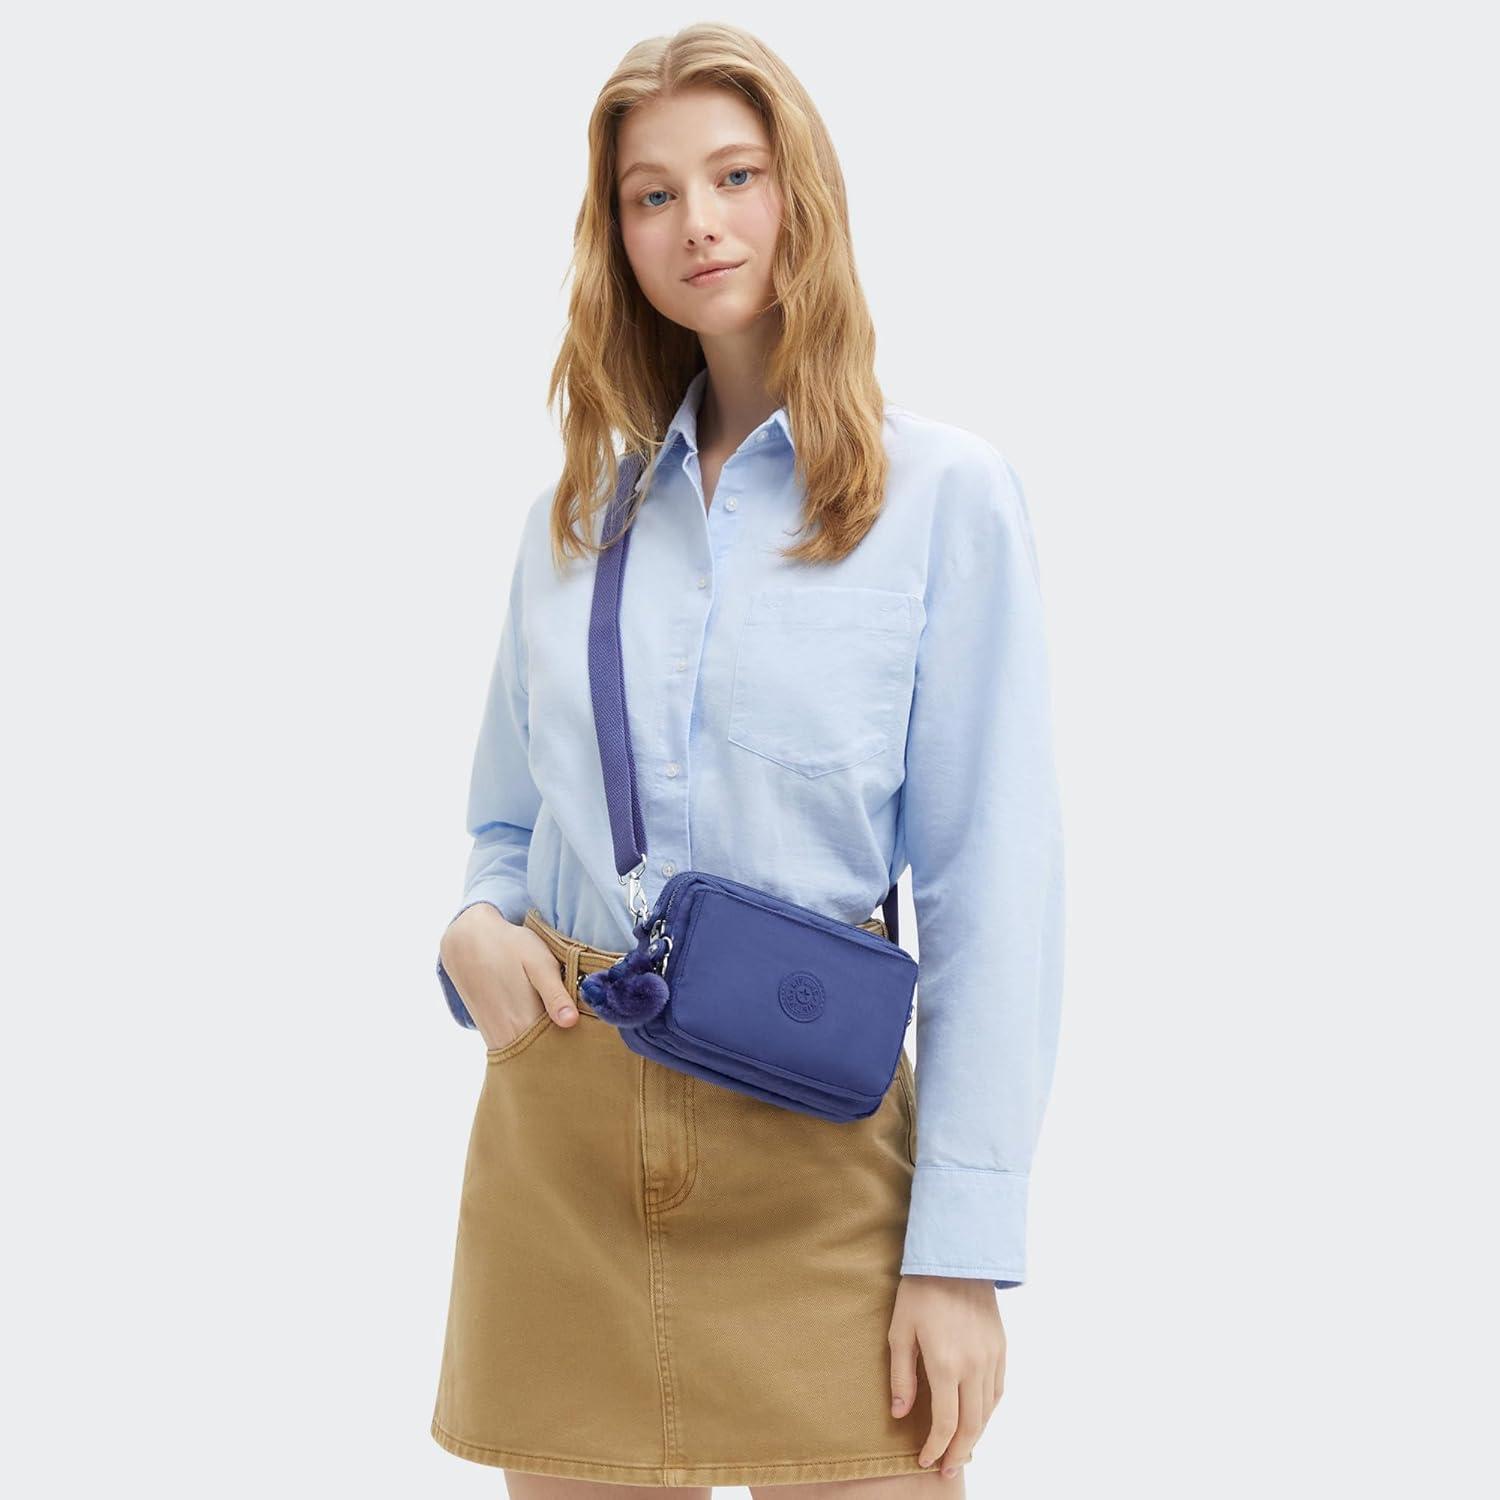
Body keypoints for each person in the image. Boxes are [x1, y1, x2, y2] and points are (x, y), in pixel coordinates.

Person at [428, 22, 1065, 1497]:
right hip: (564, 1140)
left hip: (818, 1141)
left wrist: (962, 1252)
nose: (697, 223)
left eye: (735, 175)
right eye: (651, 195)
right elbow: (506, 822)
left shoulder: (943, 498)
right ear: (617, 236)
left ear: (803, 195)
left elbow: (992, 889)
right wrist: (473, 927)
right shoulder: (573, 520)